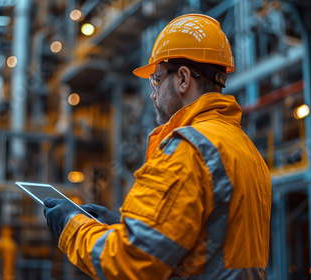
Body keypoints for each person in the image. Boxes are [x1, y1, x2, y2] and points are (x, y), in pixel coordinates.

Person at [43, 14, 272, 279]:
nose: (153, 93)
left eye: (156, 79)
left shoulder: (190, 149)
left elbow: (130, 264)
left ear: (183, 79)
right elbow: (206, 245)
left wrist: (72, 225)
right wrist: (123, 228)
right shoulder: (245, 149)